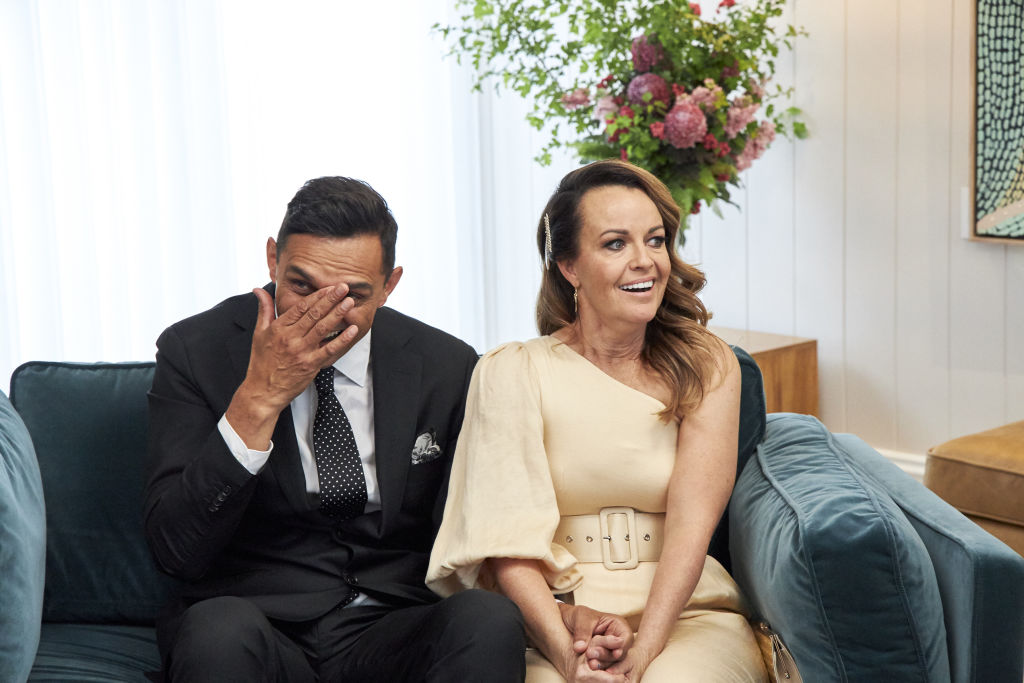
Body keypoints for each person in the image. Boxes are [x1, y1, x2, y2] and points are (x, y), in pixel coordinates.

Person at [144, 176, 526, 682]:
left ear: (390, 286)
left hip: (392, 621)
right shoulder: (196, 350)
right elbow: (176, 550)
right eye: (300, 285)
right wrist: (258, 398)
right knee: (218, 630)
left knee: (488, 619)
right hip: (257, 617)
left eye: (353, 296)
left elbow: (473, 536)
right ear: (271, 260)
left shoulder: (445, 364)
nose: (321, 315)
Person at [426, 160, 768, 682]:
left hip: (685, 614)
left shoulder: (708, 363)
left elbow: (693, 524)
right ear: (569, 266)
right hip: (558, 618)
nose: (645, 262)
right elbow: (505, 547)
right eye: (615, 244)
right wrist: (566, 652)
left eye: (655, 241)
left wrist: (646, 651)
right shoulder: (510, 371)